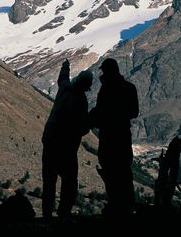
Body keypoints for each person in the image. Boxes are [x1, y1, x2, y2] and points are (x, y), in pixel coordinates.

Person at [41, 59, 93, 219]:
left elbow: (62, 78)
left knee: (49, 181)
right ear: (87, 85)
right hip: (66, 148)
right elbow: (82, 127)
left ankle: (47, 214)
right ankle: (64, 212)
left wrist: (66, 65)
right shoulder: (81, 100)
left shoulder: (64, 88)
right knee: (69, 182)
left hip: (50, 141)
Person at [89, 57, 139, 216]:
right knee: (124, 170)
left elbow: (99, 111)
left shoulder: (106, 89)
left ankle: (115, 205)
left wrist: (90, 120)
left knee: (110, 170)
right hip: (123, 135)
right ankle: (127, 206)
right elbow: (134, 112)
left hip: (109, 136)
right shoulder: (129, 88)